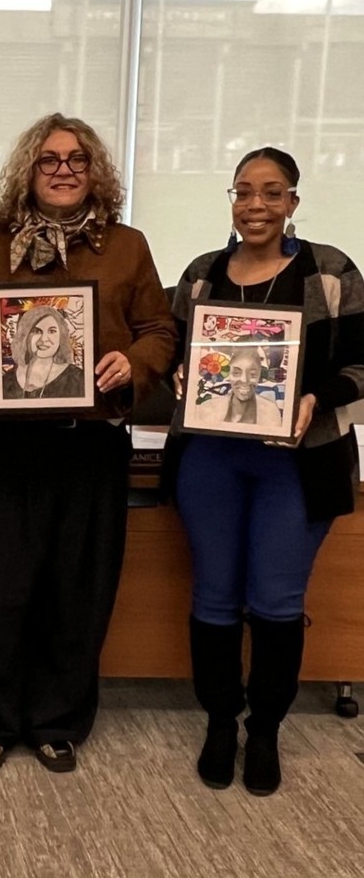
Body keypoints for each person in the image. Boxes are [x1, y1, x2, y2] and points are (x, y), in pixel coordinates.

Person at [0, 112, 175, 774]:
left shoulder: (128, 247)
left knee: (75, 591)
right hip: (12, 446)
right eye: (49, 160)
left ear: (95, 172)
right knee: (0, 588)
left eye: (76, 160)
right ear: (28, 170)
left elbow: (160, 330)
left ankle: (57, 721)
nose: (62, 170)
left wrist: (131, 364)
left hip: (92, 445)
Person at [170, 146, 364, 796]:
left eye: (272, 193)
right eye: (244, 192)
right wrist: (176, 376)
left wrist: (320, 397)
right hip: (212, 462)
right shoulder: (201, 276)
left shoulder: (331, 273)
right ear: (231, 199)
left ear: (293, 203)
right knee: (215, 597)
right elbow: (174, 357)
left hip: (298, 466)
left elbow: (363, 365)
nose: (256, 205)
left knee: (277, 602)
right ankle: (221, 721)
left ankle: (267, 730)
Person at [3, 304, 84, 399]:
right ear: (25, 335)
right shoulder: (7, 379)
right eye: (37, 331)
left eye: (52, 331)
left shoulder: (77, 378)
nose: (44, 339)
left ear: (61, 336)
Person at [191, 344, 282, 428]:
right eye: (236, 373)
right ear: (229, 375)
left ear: (259, 376)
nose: (244, 380)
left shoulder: (270, 411)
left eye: (253, 374)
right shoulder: (208, 408)